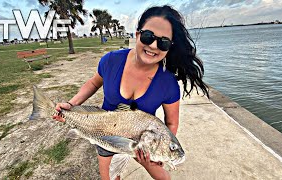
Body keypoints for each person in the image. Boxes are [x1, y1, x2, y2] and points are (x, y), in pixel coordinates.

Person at [53, 5, 209, 180]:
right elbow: (93, 83)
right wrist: (71, 105)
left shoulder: (168, 83)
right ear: (137, 34)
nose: (154, 46)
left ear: (169, 47)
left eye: (163, 42)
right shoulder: (111, 60)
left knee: (165, 178)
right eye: (148, 36)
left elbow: (171, 122)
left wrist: (163, 149)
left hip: (145, 142)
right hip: (105, 133)